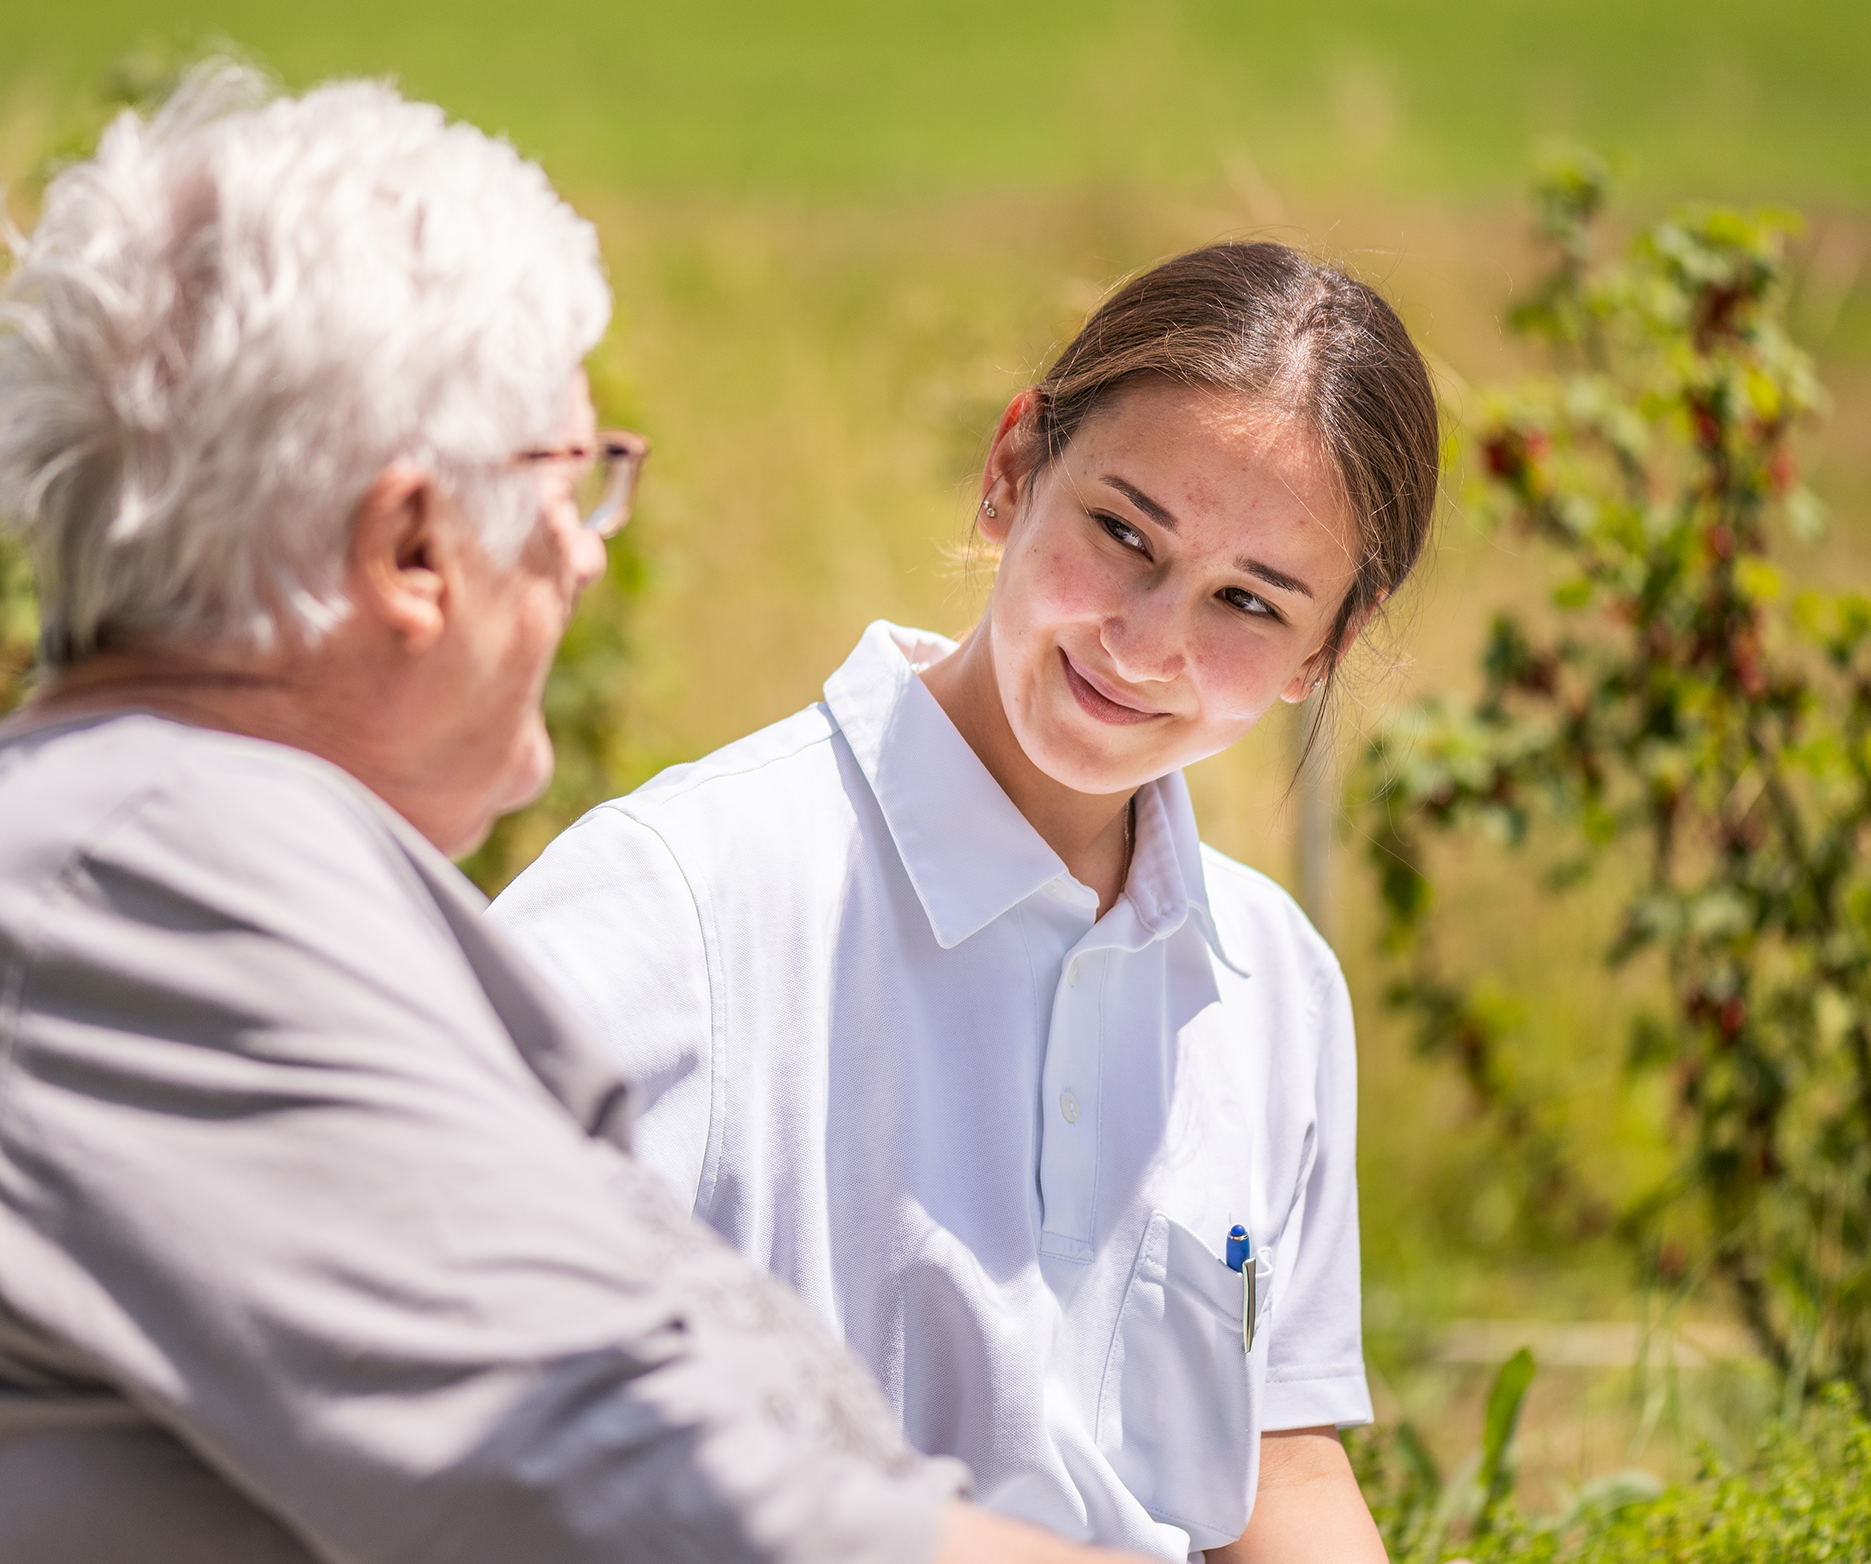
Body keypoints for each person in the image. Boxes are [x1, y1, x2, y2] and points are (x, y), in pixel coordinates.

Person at [0, 66, 1148, 1564]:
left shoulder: (165, 844)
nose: (589, 557)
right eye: (574, 480)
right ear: (413, 546)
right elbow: (671, 1503)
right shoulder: (137, 885)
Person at [490, 241, 1439, 1561]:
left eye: (1247, 602)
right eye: (1125, 535)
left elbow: (1278, 1465)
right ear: (1012, 471)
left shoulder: (1270, 981)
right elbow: (442, 1376)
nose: (1150, 643)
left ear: (1325, 646)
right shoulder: (682, 904)